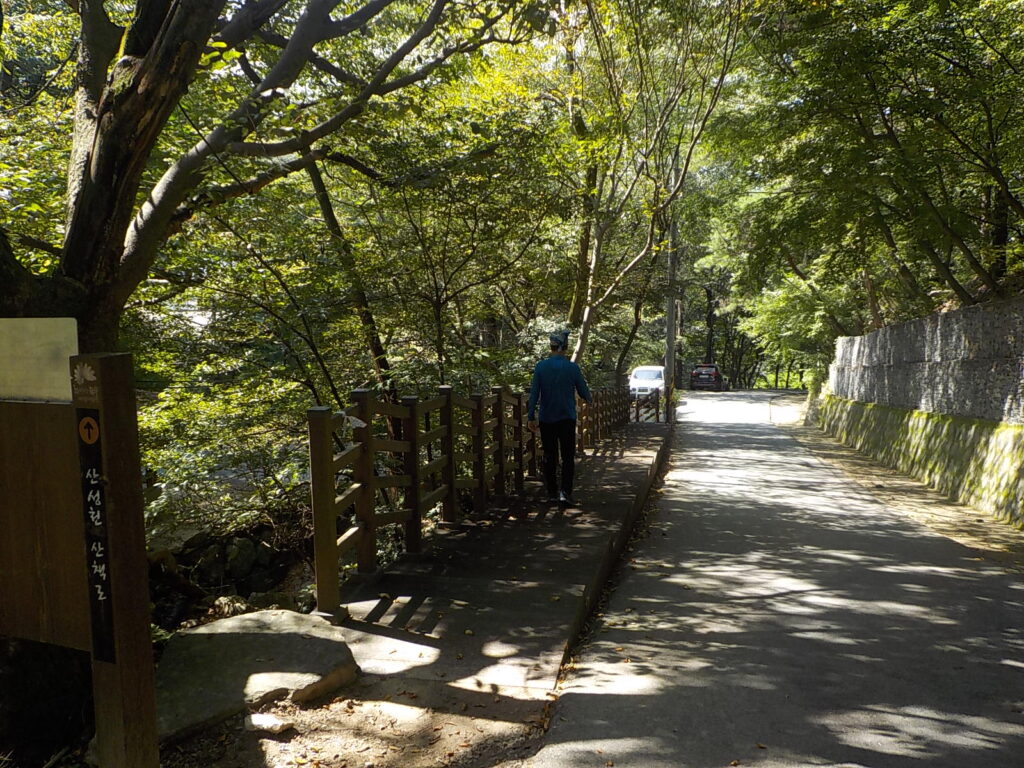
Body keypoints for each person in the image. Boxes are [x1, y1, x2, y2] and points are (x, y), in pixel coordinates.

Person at [527, 330, 592, 505]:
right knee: (568, 455)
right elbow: (583, 390)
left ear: (552, 346)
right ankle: (566, 492)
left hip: (547, 417)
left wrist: (530, 415)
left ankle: (552, 493)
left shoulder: (541, 367)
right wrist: (589, 399)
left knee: (549, 455)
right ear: (565, 347)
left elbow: (534, 393)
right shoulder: (572, 367)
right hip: (567, 417)